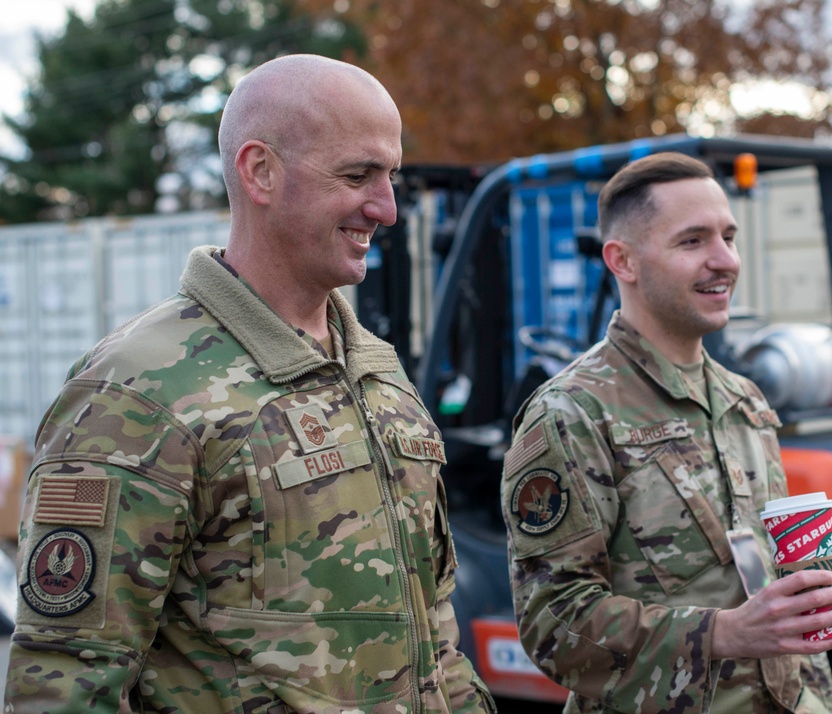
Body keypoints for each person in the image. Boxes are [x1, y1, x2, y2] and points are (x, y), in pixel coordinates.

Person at [5, 54, 495, 714]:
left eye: (391, 177)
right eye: (358, 176)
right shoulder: (138, 393)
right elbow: (62, 687)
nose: (387, 209)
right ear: (260, 171)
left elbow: (433, 636)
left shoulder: (375, 369)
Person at [500, 152, 832, 713]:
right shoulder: (573, 412)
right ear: (624, 261)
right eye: (693, 242)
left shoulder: (744, 401)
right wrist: (724, 634)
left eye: (728, 237)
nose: (725, 260)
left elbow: (778, 602)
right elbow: (553, 624)